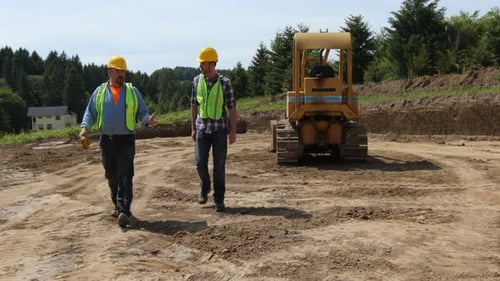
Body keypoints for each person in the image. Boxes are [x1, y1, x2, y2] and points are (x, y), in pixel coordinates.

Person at [79, 55, 158, 227]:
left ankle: (124, 210)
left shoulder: (132, 92)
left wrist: (148, 121)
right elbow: (90, 113)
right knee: (111, 175)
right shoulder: (99, 92)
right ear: (110, 72)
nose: (122, 74)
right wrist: (85, 128)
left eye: (123, 71)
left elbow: (142, 113)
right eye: (118, 71)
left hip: (126, 140)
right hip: (106, 140)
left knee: (125, 175)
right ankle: (118, 205)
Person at [190, 47, 237, 212]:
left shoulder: (225, 83)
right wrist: (193, 129)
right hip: (202, 128)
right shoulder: (196, 81)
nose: (200, 65)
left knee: (219, 166)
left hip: (219, 129)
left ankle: (219, 200)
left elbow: (232, 108)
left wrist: (233, 131)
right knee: (199, 162)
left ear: (212, 63)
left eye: (203, 63)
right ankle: (204, 186)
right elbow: (193, 105)